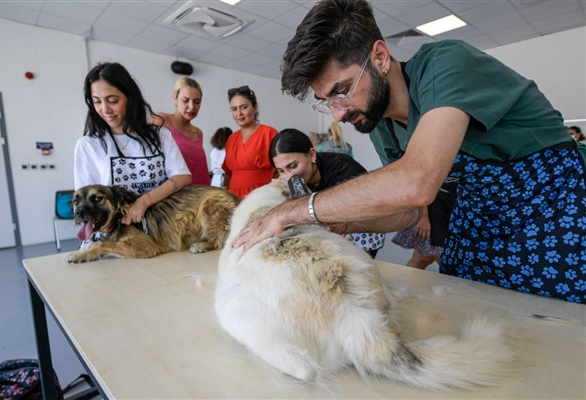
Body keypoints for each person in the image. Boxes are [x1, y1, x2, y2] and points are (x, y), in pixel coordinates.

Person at [234, 0, 586, 303]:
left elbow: (418, 182)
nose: (338, 113)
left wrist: (294, 211)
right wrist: (345, 220)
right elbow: (409, 210)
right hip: (481, 224)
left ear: (380, 57)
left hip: (552, 212)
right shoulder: (380, 123)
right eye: (327, 102)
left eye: (342, 91)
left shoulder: (446, 62)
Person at [74, 62, 191, 231]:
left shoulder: (159, 135)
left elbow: (182, 177)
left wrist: (143, 201)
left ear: (130, 97)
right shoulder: (88, 145)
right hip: (116, 233)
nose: (105, 109)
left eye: (113, 100)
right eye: (97, 102)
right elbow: (84, 198)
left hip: (163, 227)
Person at [270, 128, 385, 258]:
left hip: (361, 228)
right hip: (332, 230)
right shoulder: (301, 177)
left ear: (311, 155)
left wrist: (303, 192)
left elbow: (334, 220)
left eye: (293, 166)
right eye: (281, 171)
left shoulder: (343, 171)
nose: (288, 175)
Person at [370, 119, 457, 270]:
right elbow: (418, 180)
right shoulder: (391, 132)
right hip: (432, 211)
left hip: (441, 205)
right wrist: (424, 217)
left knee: (421, 260)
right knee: (440, 261)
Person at [223, 85, 278, 198]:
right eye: (234, 109)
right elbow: (228, 173)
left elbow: (280, 169)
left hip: (262, 196)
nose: (239, 113)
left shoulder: (269, 133)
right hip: (234, 197)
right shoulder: (231, 139)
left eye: (244, 107)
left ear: (255, 108)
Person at [154, 76, 210, 185]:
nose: (191, 107)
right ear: (175, 98)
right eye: (185, 100)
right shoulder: (162, 120)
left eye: (197, 102)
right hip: (178, 196)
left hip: (202, 193)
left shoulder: (198, 133)